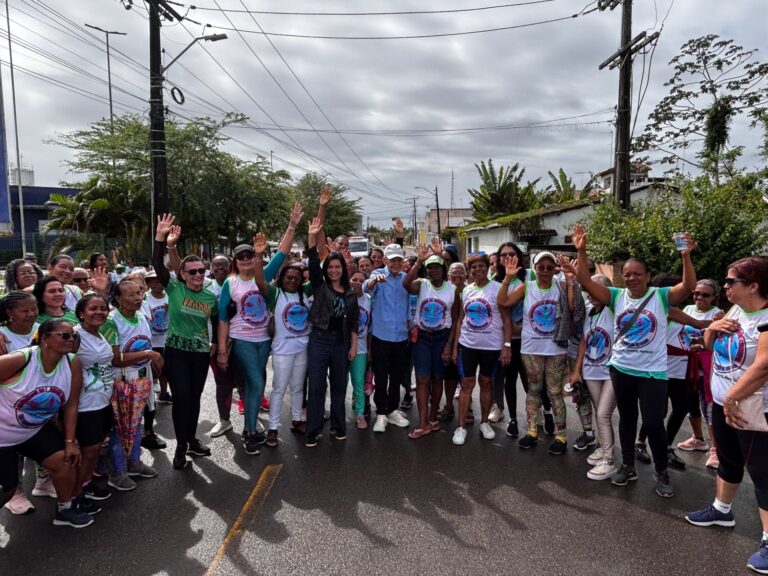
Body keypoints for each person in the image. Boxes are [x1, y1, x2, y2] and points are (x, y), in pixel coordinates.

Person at [572, 224, 697, 497]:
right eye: (626, 274)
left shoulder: (660, 296)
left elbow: (688, 286)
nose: (631, 278)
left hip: (653, 373)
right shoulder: (616, 296)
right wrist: (581, 251)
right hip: (621, 369)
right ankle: (627, 465)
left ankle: (661, 471)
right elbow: (585, 280)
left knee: (653, 423)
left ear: (647, 276)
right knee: (627, 419)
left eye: (636, 274)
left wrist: (685, 256)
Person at [685, 256, 768, 575]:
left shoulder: (765, 317)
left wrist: (734, 396)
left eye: (731, 281)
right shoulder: (735, 311)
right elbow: (707, 345)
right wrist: (713, 328)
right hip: (724, 403)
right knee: (729, 461)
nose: (726, 286)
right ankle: (722, 510)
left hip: (752, 405)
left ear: (753, 285)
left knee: (763, 473)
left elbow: (763, 366)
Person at [216, 204, 303, 454]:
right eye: (241, 257)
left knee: (258, 382)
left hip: (265, 339)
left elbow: (284, 252)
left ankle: (251, 427)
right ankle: (250, 430)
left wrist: (292, 225)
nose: (246, 260)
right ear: (235, 261)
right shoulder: (230, 284)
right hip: (241, 339)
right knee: (255, 380)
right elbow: (223, 318)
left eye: (249, 256)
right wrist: (223, 350)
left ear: (255, 258)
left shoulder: (263, 276)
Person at [0, 319, 90, 528]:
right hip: (2, 436)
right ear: (45, 339)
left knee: (66, 460)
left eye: (73, 336)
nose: (71, 340)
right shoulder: (22, 359)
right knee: (7, 489)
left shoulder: (71, 362)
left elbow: (71, 405)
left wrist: (69, 441)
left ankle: (65, 510)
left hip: (33, 431)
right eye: (64, 335)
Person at [153, 214, 219, 470]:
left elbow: (218, 320)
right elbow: (158, 264)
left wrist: (216, 344)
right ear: (182, 274)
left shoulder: (210, 296)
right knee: (182, 397)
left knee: (195, 398)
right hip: (177, 353)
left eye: (201, 270)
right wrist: (162, 239)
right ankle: (180, 447)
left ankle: (191, 440)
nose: (198, 275)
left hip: (200, 354)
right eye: (192, 272)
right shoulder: (174, 288)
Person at [498, 251, 570, 454]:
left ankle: (561, 436)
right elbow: (503, 302)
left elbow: (573, 307)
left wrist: (572, 280)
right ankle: (531, 432)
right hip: (531, 349)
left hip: (556, 348)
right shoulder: (527, 286)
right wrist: (508, 278)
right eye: (541, 267)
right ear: (535, 268)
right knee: (534, 390)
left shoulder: (562, 286)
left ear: (555, 268)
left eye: (549, 267)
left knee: (554, 392)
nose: (545, 271)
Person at [251, 234, 312, 448]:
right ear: (282, 278)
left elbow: (320, 275)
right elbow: (259, 281)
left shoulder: (305, 292)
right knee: (279, 388)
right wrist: (258, 256)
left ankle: (297, 420)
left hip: (302, 347)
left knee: (297, 388)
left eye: (296, 278)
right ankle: (273, 429)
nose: (293, 280)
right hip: (282, 350)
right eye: (289, 277)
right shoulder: (275, 294)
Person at [101, 280, 162, 490]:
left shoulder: (140, 315)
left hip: (142, 377)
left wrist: (149, 362)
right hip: (124, 379)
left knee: (137, 423)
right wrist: (147, 354)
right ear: (117, 298)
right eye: (130, 295)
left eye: (139, 293)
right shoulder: (112, 321)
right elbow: (115, 358)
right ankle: (117, 472)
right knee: (120, 427)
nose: (137, 298)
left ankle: (134, 462)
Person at [305, 216, 359, 447]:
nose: (334, 270)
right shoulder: (320, 286)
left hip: (341, 343)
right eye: (331, 267)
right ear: (326, 270)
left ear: (342, 270)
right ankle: (313, 430)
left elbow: (354, 323)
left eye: (338, 267)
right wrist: (312, 236)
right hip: (319, 340)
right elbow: (312, 261)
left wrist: (353, 346)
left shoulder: (350, 293)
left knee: (339, 387)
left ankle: (338, 426)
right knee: (316, 387)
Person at [452, 254, 512, 445]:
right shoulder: (467, 290)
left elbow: (506, 319)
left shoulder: (497, 289)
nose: (478, 269)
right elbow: (460, 319)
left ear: (488, 268)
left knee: (486, 383)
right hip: (468, 345)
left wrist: (507, 346)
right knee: (466, 385)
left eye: (481, 266)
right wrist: (455, 347)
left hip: (491, 346)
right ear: (470, 271)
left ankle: (485, 422)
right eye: (474, 267)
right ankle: (460, 427)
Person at [403, 246, 460, 438]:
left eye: (436, 267)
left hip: (442, 338)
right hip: (422, 338)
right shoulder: (422, 284)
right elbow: (406, 284)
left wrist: (448, 345)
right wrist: (419, 261)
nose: (433, 270)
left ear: (443, 270)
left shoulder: (452, 290)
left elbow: (455, 320)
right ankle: (423, 422)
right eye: (429, 268)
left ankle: (433, 417)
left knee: (437, 379)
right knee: (422, 379)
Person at [568, 274, 618, 480]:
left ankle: (609, 459)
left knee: (603, 414)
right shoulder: (588, 311)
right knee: (600, 412)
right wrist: (576, 370)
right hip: (591, 370)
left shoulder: (615, 310)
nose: (592, 293)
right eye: (589, 289)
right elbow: (583, 342)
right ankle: (603, 446)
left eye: (597, 289)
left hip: (611, 371)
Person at [72, 294, 116, 512]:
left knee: (94, 451)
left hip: (102, 402)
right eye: (93, 308)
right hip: (84, 405)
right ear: (81, 313)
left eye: (103, 308)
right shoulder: (74, 336)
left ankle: (85, 486)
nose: (99, 312)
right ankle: (74, 496)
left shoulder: (98, 335)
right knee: (87, 453)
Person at [364, 243, 412, 433]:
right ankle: (381, 413)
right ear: (385, 260)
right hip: (381, 336)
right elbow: (365, 288)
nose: (395, 263)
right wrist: (373, 282)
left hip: (401, 336)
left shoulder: (405, 278)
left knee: (397, 376)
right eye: (392, 260)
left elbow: (409, 302)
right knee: (381, 376)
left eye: (398, 259)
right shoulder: (377, 276)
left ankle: (392, 409)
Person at [677, 279, 723, 469]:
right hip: (688, 367)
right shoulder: (687, 310)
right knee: (691, 405)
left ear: (714, 297)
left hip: (708, 368)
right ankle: (698, 438)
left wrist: (699, 344)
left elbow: (718, 342)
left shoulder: (718, 315)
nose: (699, 297)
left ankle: (716, 451)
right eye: (696, 293)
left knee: (709, 408)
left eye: (705, 294)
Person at [0, 291, 39, 515]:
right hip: (8, 407)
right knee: (14, 452)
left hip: (41, 402)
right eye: (24, 310)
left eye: (33, 309)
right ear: (9, 312)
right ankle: (15, 492)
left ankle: (43, 482)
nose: (30, 314)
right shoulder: (2, 335)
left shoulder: (42, 331)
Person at [490, 243, 533, 438]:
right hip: (506, 339)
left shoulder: (530, 276)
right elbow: (496, 308)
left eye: (512, 254)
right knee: (506, 378)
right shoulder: (496, 280)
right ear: (499, 259)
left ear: (519, 256)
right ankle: (507, 414)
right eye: (503, 255)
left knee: (530, 379)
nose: (508, 258)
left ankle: (536, 412)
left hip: (530, 339)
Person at [144, 270, 171, 404]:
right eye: (152, 281)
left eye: (159, 280)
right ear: (147, 283)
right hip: (151, 341)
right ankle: (149, 399)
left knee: (166, 368)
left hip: (168, 339)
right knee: (153, 369)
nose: (157, 283)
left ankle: (164, 393)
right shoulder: (144, 298)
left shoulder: (171, 296)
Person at [349, 270, 371, 429]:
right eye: (354, 279)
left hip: (362, 348)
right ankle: (337, 414)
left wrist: (370, 349)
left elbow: (371, 327)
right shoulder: (343, 297)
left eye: (361, 280)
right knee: (339, 384)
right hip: (340, 347)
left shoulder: (369, 300)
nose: (357, 282)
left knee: (359, 382)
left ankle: (360, 414)